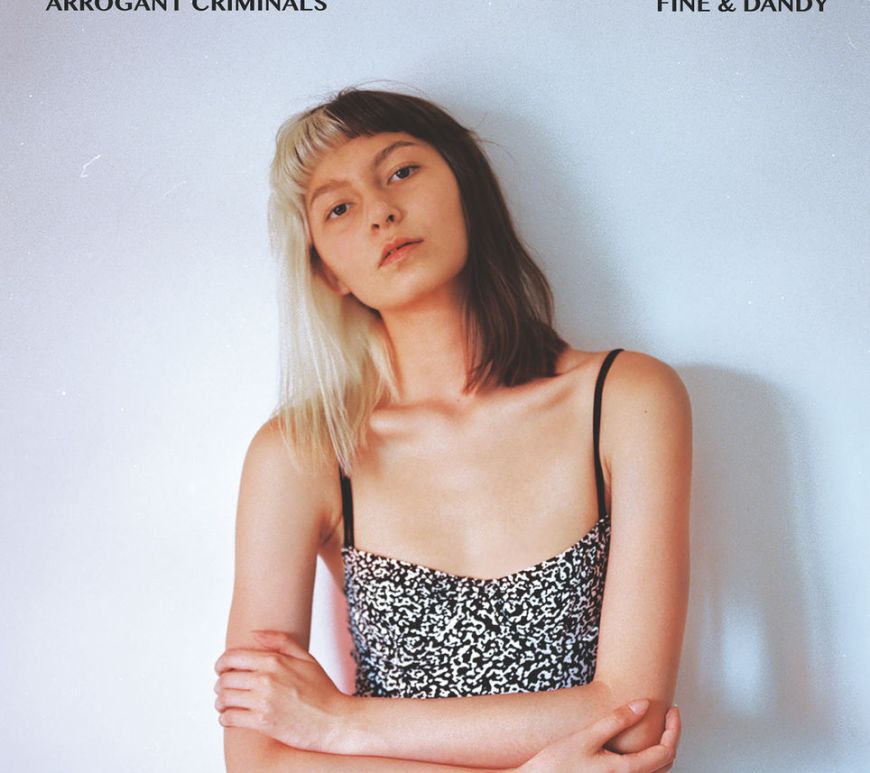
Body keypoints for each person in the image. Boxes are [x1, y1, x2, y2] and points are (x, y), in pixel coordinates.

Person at [213, 87, 691, 772]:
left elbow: (633, 718)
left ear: (467, 185)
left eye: (401, 171)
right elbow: (259, 762)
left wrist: (341, 722)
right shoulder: (303, 452)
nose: (380, 212)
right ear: (325, 268)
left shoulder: (625, 398)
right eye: (339, 208)